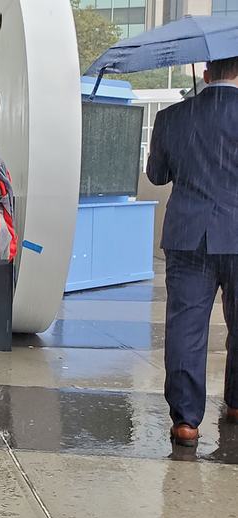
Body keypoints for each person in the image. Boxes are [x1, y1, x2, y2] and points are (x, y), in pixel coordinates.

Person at [147, 55, 238, 447]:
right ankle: (235, 403)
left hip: (188, 237)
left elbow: (157, 175)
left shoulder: (172, 117)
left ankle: (186, 421)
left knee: (186, 327)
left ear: (205, 74)